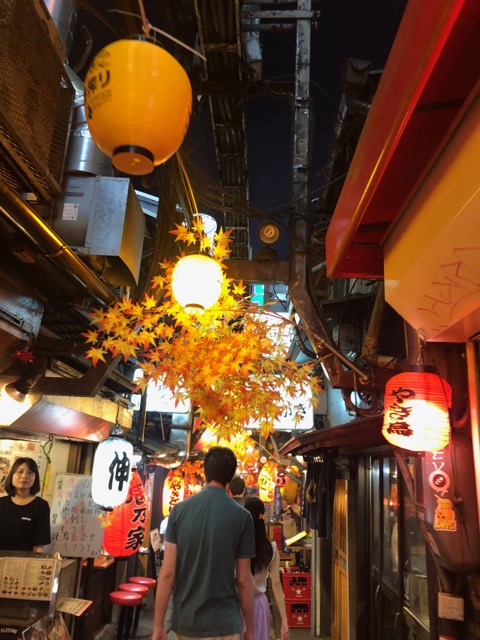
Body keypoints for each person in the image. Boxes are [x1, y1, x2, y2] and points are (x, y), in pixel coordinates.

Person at [152, 446, 255, 640]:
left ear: (205, 471)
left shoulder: (179, 512)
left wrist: (158, 626)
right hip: (225, 623)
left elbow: (167, 573)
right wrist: (250, 628)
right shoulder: (243, 517)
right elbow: (243, 580)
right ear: (230, 477)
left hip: (187, 622)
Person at [244, 497, 289, 640]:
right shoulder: (271, 549)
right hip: (259, 605)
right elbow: (276, 584)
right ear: (262, 517)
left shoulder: (238, 545)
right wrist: (285, 621)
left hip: (238, 604)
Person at [0, 457, 51, 552]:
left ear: (35, 477)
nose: (24, 476)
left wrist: (37, 565)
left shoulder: (41, 506)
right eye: (20, 471)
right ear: (12, 475)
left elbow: (38, 545)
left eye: (30, 472)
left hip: (24, 563)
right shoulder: (1, 503)